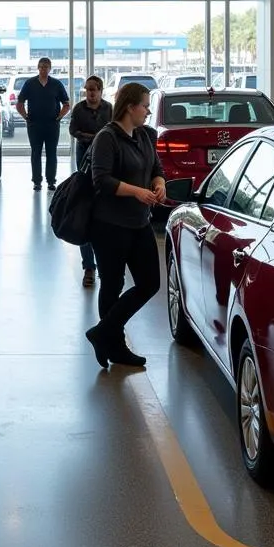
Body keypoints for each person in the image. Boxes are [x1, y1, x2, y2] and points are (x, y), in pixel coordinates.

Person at [83, 82, 166, 369]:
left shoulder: (143, 136)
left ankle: (102, 333)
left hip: (138, 222)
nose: (147, 110)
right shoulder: (107, 138)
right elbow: (101, 180)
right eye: (144, 105)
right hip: (109, 225)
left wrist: (158, 183)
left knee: (150, 283)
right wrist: (136, 191)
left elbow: (156, 167)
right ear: (130, 107)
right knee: (113, 284)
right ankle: (114, 345)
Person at [68, 75, 112, 287]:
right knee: (85, 214)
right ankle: (88, 266)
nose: (90, 93)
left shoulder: (109, 109)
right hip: (84, 160)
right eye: (87, 90)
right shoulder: (78, 109)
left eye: (93, 89)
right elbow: (73, 131)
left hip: (106, 164)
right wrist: (91, 138)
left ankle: (107, 267)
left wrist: (99, 140)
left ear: (101, 90)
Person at [17, 57, 70, 191]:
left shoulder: (56, 84)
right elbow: (20, 103)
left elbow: (66, 104)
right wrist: (25, 116)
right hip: (34, 124)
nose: (43, 69)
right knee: (36, 152)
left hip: (52, 124)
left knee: (52, 152)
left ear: (50, 68)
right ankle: (37, 181)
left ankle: (51, 181)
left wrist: (59, 116)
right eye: (41, 67)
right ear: (38, 68)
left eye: (46, 67)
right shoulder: (30, 83)